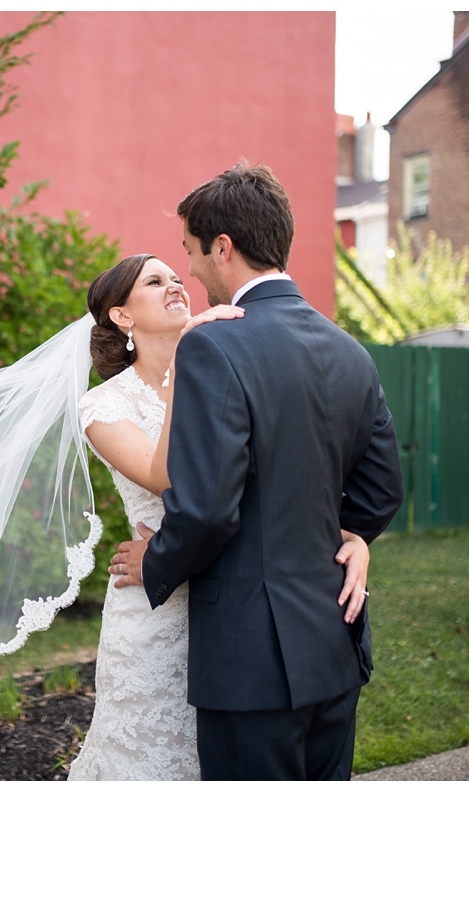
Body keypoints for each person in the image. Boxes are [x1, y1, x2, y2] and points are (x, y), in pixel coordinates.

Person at [109, 163, 405, 780]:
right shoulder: (351, 352)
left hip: (249, 662)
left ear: (224, 247)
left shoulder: (212, 345)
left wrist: (155, 558)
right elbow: (381, 492)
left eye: (190, 252)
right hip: (334, 641)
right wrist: (350, 540)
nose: (189, 270)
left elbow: (209, 507)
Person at [67, 253, 374, 780]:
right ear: (122, 317)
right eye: (154, 281)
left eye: (176, 276)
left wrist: (355, 535)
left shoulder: (227, 365)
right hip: (157, 611)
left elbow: (290, 471)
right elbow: (166, 478)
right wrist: (181, 374)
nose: (176, 286)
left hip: (241, 604)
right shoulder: (103, 407)